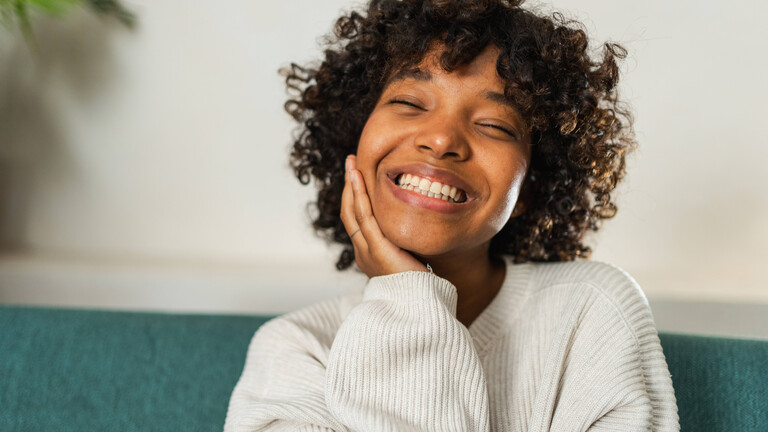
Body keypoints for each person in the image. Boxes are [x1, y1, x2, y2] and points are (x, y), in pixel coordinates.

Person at [224, 0, 680, 430]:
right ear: (355, 138)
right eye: (409, 103)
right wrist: (408, 299)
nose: (442, 139)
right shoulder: (296, 350)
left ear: (530, 187)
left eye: (494, 126)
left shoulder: (592, 313)